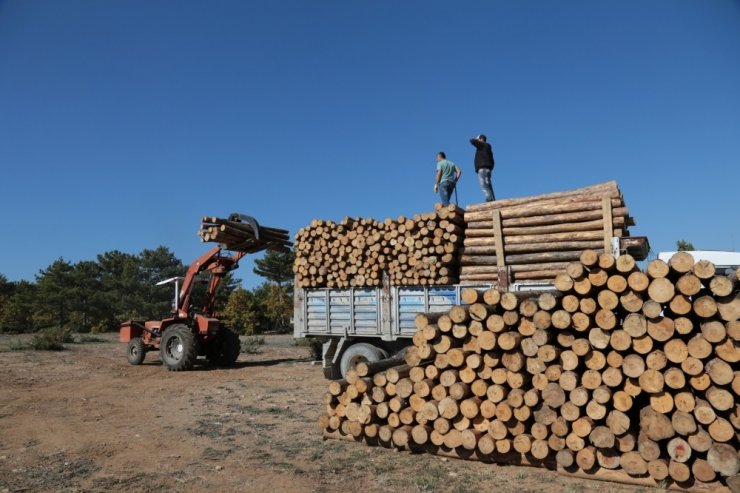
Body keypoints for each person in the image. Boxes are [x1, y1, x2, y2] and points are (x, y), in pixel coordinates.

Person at [470, 134, 495, 201]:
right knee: (487, 183)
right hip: (488, 168)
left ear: (481, 139)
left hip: (482, 168)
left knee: (483, 184)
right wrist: (491, 167)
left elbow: (471, 141)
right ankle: (492, 198)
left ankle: (489, 197)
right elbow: (492, 160)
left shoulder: (482, 145)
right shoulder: (488, 148)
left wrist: (476, 139)